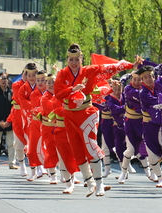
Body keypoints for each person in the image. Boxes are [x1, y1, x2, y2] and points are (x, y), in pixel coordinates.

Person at [54, 43, 133, 197]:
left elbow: (109, 68)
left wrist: (130, 65)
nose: (74, 63)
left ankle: (99, 184)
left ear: (81, 59)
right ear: (67, 60)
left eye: (77, 59)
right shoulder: (62, 74)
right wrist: (72, 89)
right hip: (70, 115)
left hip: (87, 112)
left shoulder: (89, 71)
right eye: (71, 59)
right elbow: (58, 94)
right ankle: (90, 182)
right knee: (77, 150)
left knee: (91, 146)